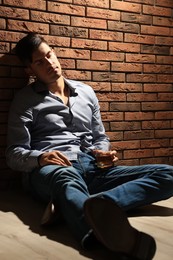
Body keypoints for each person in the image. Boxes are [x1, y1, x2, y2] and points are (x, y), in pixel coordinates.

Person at [6, 32, 173, 260]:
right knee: (65, 179)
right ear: (29, 70)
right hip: (53, 169)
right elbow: (14, 154)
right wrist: (41, 157)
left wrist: (102, 150)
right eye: (39, 62)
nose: (50, 64)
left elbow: (99, 137)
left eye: (50, 55)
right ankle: (103, 234)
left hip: (93, 167)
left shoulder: (86, 92)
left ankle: (77, 206)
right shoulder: (25, 100)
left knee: (168, 174)